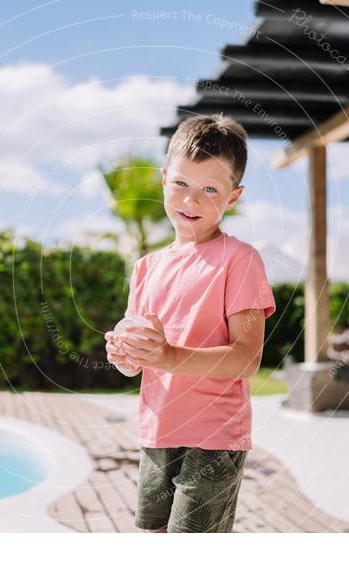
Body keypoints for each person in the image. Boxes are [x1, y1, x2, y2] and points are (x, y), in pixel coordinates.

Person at [104, 114, 276, 533]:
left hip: (213, 437)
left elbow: (247, 358)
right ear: (164, 180)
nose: (191, 200)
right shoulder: (146, 268)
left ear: (233, 198)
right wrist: (126, 357)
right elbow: (139, 361)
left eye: (210, 189)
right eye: (181, 184)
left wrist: (169, 355)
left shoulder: (241, 260)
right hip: (157, 432)